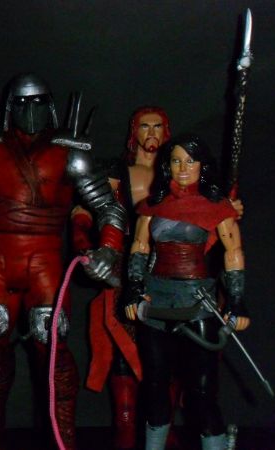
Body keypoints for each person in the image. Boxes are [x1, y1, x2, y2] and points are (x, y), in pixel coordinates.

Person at [0, 73, 127, 450]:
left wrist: (109, 248)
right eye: (22, 103)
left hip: (46, 262)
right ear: (9, 107)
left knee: (53, 349)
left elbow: (108, 208)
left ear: (50, 105)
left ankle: (64, 439)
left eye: (38, 103)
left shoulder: (71, 152)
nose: (30, 111)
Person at [123, 134, 249, 450]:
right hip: (155, 303)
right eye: (176, 160)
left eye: (190, 161)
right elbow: (139, 247)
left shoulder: (216, 207)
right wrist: (134, 289)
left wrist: (236, 300)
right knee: (155, 386)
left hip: (197, 302)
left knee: (201, 392)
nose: (183, 168)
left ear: (202, 166)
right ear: (167, 165)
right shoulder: (154, 205)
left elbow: (233, 253)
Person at [71, 106, 171, 449]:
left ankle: (164, 427)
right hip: (124, 268)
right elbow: (86, 211)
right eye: (145, 126)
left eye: (157, 126)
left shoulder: (181, 172)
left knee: (168, 353)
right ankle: (125, 428)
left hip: (168, 269)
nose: (151, 132)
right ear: (134, 131)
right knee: (122, 349)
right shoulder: (116, 174)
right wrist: (86, 244)